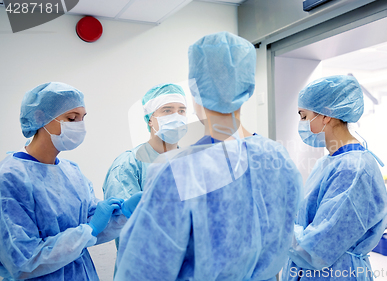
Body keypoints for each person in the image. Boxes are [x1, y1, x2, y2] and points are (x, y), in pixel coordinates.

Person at [115, 32, 303, 281]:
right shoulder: (278, 158)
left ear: (195, 94)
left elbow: (143, 272)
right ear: (248, 88)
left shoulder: (178, 171)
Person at [0, 82, 141, 281]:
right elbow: (22, 261)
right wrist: (88, 230)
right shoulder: (10, 179)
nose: (79, 126)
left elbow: (90, 231)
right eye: (72, 118)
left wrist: (123, 213)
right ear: (40, 117)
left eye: (83, 118)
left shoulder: (72, 172)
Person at [282, 75, 387, 281]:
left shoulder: (353, 168)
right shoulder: (328, 163)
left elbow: (317, 246)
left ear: (326, 116)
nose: (301, 123)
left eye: (304, 116)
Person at [102, 83, 187, 272]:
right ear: (150, 119)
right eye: (167, 110)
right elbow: (126, 228)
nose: (176, 116)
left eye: (182, 111)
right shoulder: (128, 165)